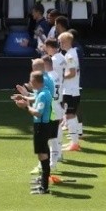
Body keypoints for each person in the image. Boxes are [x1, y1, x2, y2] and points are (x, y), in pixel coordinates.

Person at [13, 71, 56, 195]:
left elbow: (38, 113)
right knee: (44, 154)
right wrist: (24, 97)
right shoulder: (43, 92)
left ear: (36, 82)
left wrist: (25, 107)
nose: (29, 83)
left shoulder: (43, 95)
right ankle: (43, 182)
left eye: (31, 81)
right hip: (43, 126)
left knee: (43, 155)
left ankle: (44, 187)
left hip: (41, 127)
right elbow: (34, 97)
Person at [42, 39, 66, 169]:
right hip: (59, 97)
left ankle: (51, 162)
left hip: (51, 105)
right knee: (56, 132)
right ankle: (58, 156)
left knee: (48, 136)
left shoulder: (50, 72)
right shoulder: (61, 58)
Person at [58, 32, 82, 151]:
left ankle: (74, 143)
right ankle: (74, 142)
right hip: (71, 90)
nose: (60, 44)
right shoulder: (70, 54)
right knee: (70, 115)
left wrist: (60, 76)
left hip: (70, 90)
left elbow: (71, 73)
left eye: (61, 42)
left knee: (69, 115)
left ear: (67, 41)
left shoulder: (70, 55)